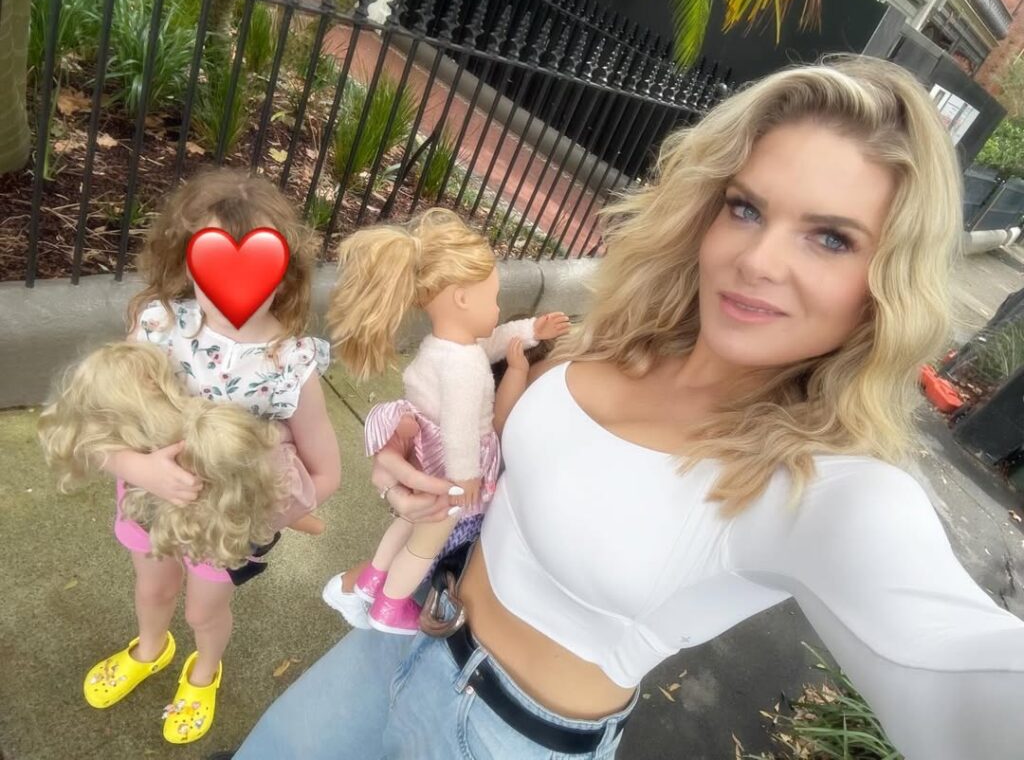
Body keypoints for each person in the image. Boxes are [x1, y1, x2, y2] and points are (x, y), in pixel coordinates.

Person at [232, 55, 1024, 759]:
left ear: (888, 280)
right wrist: (414, 446)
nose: (757, 259)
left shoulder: (828, 488)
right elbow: (510, 458)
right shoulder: (616, 338)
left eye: (831, 238)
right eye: (746, 208)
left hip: (501, 738)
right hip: (402, 633)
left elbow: (957, 671)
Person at [80, 169, 341, 743]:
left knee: (205, 610)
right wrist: (139, 468)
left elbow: (327, 472)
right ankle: (150, 648)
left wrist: (265, 514)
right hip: (147, 503)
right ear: (186, 259)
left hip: (225, 530)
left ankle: (203, 672)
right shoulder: (156, 329)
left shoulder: (290, 362)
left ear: (285, 272)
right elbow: (99, 431)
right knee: (152, 588)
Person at [319, 208, 569, 634]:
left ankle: (371, 580)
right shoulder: (463, 366)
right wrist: (465, 475)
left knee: (407, 522)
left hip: (426, 452)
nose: (497, 309)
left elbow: (494, 340)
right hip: (449, 468)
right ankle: (390, 606)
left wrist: (531, 331)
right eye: (493, 299)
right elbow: (459, 426)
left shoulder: (447, 347)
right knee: (425, 542)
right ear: (462, 299)